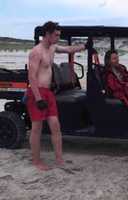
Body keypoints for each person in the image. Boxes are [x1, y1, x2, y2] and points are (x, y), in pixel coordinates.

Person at [27, 21, 90, 170]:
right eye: (56, 35)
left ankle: (59, 159)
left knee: (55, 125)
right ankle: (36, 161)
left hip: (48, 92)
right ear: (47, 34)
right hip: (37, 93)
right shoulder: (36, 52)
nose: (58, 37)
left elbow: (68, 49)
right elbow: (32, 77)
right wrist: (38, 98)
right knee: (36, 128)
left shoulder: (53, 48)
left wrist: (85, 46)